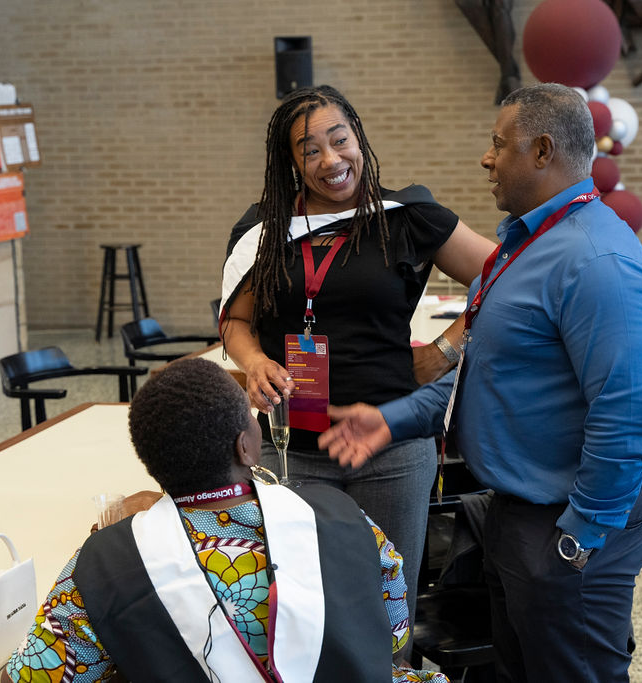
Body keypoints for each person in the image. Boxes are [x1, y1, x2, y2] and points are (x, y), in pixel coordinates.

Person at [319, 83, 642, 683]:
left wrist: (577, 541)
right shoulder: (524, 244)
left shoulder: (598, 264)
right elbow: (482, 375)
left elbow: (629, 424)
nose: (486, 158)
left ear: (540, 151)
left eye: (497, 144)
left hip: (570, 519)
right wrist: (391, 419)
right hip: (518, 508)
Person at [220, 85, 494, 643]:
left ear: (358, 140)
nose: (330, 160)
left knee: (386, 601)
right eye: (309, 150)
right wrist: (252, 362)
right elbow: (236, 322)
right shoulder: (264, 230)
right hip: (290, 447)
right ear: (289, 163)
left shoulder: (405, 217)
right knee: (299, 603)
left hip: (392, 445)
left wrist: (445, 349)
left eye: (339, 141)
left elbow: (507, 276)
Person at [2, 358, 448, 683]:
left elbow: (27, 679)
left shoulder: (104, 563)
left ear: (150, 462)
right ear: (246, 448)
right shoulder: (342, 517)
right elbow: (391, 634)